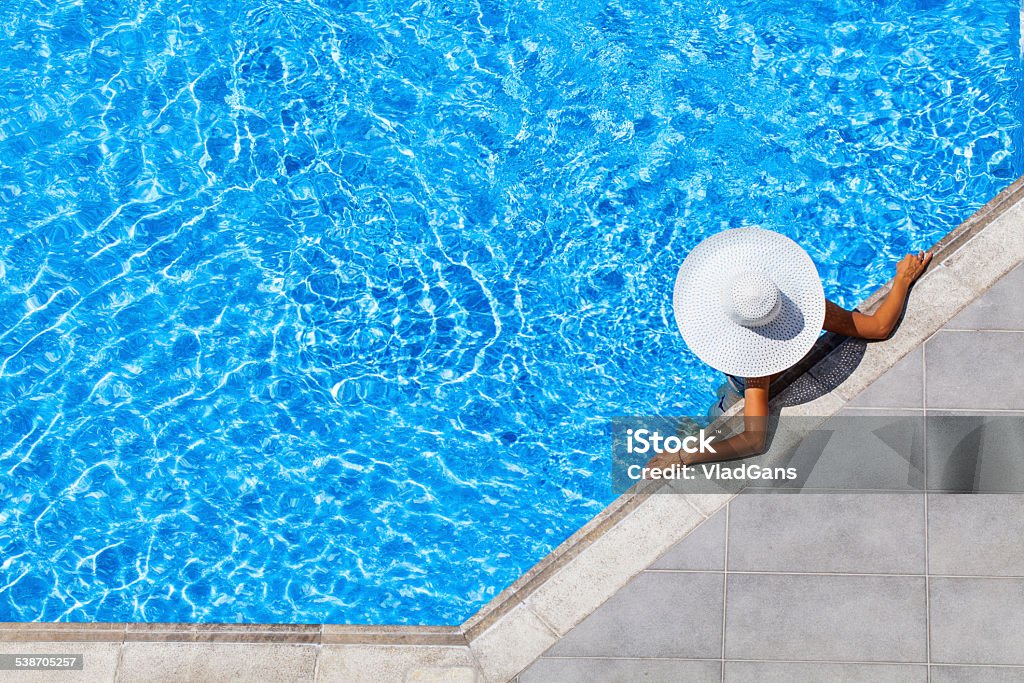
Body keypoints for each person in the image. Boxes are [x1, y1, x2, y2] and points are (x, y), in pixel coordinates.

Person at [648, 228, 931, 469]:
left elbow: (753, 440)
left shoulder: (755, 366)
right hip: (764, 370)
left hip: (738, 395)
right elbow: (877, 327)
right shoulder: (807, 310)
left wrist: (683, 457)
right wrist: (902, 281)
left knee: (717, 414)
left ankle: (698, 429)